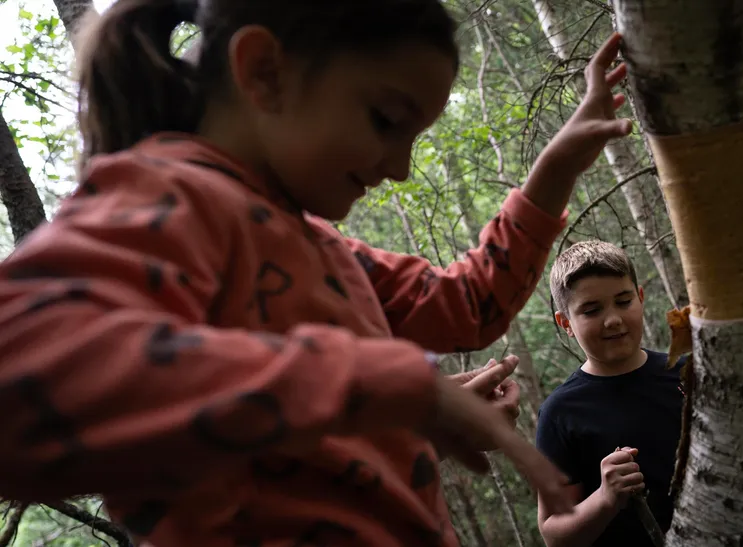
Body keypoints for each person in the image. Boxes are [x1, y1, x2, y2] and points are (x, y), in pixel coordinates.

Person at [0, 0, 635, 544]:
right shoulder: (167, 196)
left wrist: (557, 166)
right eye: (386, 121)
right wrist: (376, 384)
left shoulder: (320, 246)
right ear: (264, 73)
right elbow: (22, 370)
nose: (401, 167)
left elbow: (469, 306)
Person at [535, 240, 686, 546]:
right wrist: (605, 499)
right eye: (591, 310)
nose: (613, 319)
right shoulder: (560, 413)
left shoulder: (688, 374)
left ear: (640, 298)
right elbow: (553, 533)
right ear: (566, 323)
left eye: (623, 301)